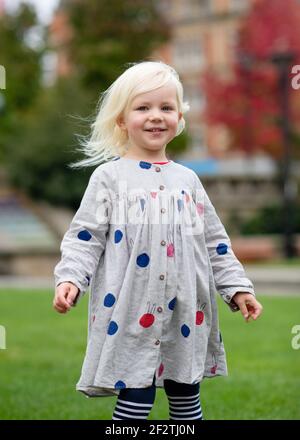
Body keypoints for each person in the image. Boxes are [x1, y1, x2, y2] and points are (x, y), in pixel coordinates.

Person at [53, 60, 263, 421]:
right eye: (143, 108)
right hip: (131, 310)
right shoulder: (109, 178)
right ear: (122, 120)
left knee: (186, 397)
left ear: (179, 118)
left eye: (166, 107)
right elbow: (85, 238)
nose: (156, 116)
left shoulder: (188, 181)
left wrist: (238, 289)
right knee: (135, 396)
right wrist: (71, 278)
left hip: (187, 313)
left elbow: (216, 244)